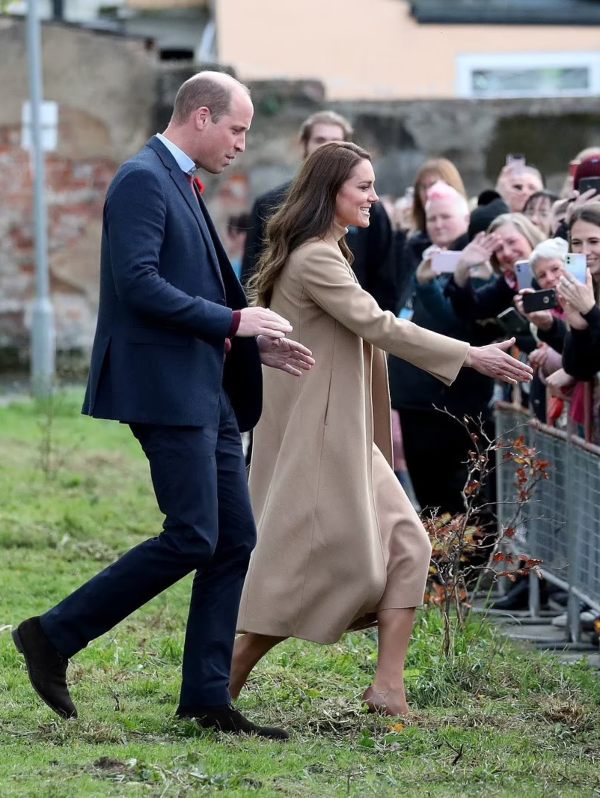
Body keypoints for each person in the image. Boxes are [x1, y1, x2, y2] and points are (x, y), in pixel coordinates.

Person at [12, 71, 316, 740]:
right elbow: (139, 285)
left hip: (206, 387)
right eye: (236, 128)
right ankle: (52, 635)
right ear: (201, 117)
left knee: (233, 538)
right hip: (166, 389)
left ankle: (207, 699)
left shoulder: (175, 180)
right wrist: (236, 325)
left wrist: (246, 344)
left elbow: (188, 288)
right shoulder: (142, 179)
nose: (242, 143)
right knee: (193, 535)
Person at [230, 142, 533, 717]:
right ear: (331, 194)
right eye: (363, 188)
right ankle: (227, 675)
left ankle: (387, 688)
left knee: (410, 548)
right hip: (321, 438)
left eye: (372, 186)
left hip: (345, 435)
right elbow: (384, 326)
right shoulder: (316, 258)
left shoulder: (328, 250)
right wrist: (471, 355)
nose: (375, 198)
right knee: (344, 569)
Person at [240, 110, 397, 312]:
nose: (328, 147)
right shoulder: (271, 203)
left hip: (356, 319)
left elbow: (385, 279)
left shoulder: (371, 209)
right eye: (320, 140)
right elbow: (254, 270)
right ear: (304, 146)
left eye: (336, 141)